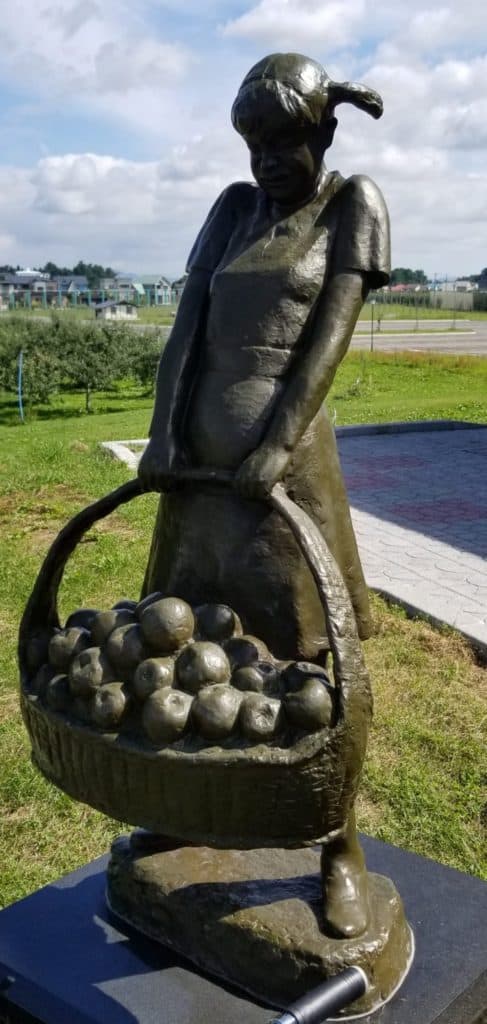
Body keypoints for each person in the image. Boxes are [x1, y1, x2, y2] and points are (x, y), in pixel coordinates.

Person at [138, 52, 390, 939]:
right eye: (255, 146)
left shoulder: (351, 203)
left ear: (321, 132)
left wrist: (277, 444)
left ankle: (337, 846)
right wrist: (164, 434)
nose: (269, 162)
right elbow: (188, 328)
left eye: (285, 142)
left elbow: (326, 341)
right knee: (192, 640)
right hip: (200, 471)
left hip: (283, 476)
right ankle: (196, 807)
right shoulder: (231, 211)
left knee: (310, 663)